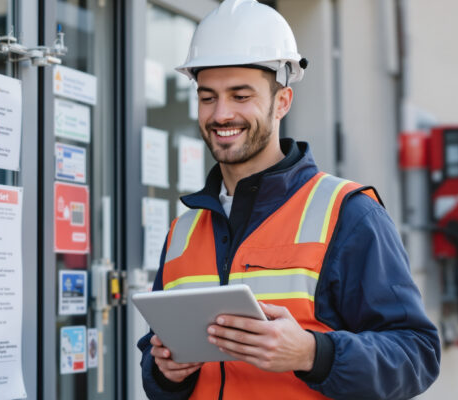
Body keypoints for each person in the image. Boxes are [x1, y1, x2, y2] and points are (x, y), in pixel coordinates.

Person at [136, 0, 441, 399]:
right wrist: (166, 372)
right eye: (208, 97)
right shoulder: (185, 229)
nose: (221, 114)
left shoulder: (348, 213)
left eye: (241, 96)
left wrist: (313, 354)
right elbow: (155, 365)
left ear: (282, 103)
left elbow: (417, 355)